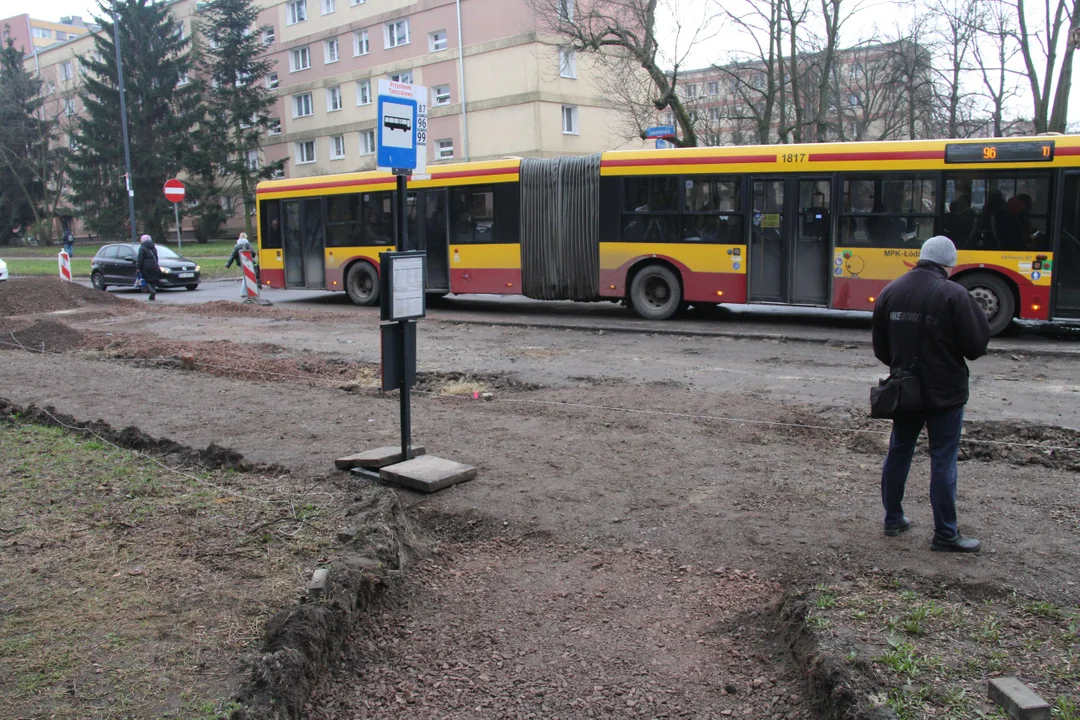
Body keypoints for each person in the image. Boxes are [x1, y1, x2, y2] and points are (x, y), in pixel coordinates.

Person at [871, 236, 990, 553]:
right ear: (949, 264)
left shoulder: (890, 290)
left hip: (904, 389)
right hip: (945, 392)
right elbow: (977, 346)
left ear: (919, 258)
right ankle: (945, 534)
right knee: (943, 460)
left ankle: (893, 519)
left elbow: (882, 349)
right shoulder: (954, 294)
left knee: (899, 451)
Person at [226, 232, 257, 297]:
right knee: (246, 277)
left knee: (246, 276)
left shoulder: (236, 246)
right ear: (246, 237)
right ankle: (243, 292)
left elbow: (232, 256)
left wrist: (228, 264)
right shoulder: (247, 244)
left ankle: (246, 291)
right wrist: (253, 256)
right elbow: (253, 253)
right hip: (248, 263)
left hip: (240, 264)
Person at [136, 234, 160, 301]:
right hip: (154, 265)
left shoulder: (142, 248)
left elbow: (140, 259)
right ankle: (153, 294)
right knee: (154, 280)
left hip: (146, 266)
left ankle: (152, 291)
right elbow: (156, 257)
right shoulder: (153, 247)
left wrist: (138, 268)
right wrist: (156, 264)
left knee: (146, 280)